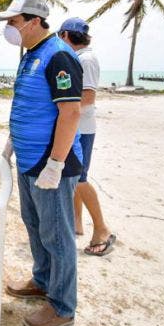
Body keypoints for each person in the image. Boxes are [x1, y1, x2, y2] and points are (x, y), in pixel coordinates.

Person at [0, 0, 84, 326]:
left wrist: (56, 163)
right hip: (29, 158)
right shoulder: (31, 54)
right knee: (34, 224)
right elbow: (31, 105)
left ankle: (62, 305)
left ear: (33, 21)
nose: (8, 28)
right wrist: (12, 142)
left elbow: (71, 111)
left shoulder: (59, 55)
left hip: (52, 163)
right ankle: (43, 280)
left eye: (13, 22)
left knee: (57, 234)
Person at [58, 18, 116, 256]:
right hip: (78, 125)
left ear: (65, 35)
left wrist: (61, 111)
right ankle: (77, 223)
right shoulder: (80, 58)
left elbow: (88, 97)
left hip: (81, 127)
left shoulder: (86, 59)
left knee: (79, 178)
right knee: (74, 179)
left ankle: (102, 229)